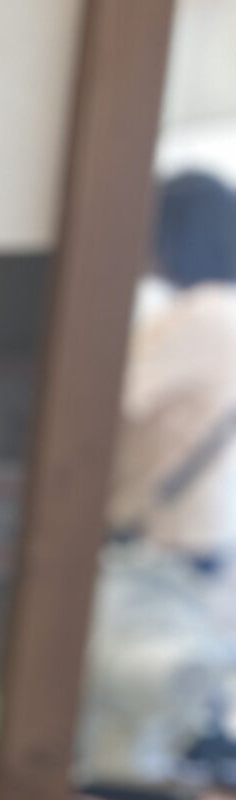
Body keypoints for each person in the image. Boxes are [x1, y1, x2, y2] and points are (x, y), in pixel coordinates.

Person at [112, 169, 236, 564]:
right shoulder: (220, 310)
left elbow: (108, 394)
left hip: (161, 546)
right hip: (190, 538)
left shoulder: (203, 313)